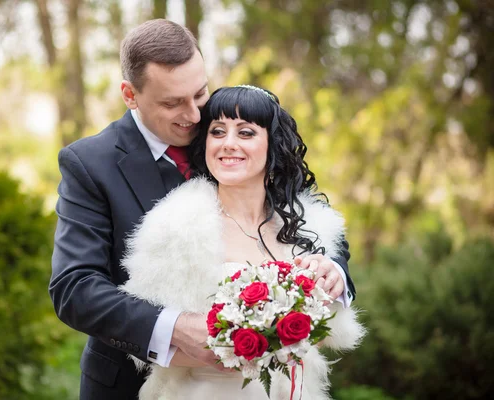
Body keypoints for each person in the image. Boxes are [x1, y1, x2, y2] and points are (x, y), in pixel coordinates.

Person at [50, 19, 355, 400]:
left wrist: (334, 274)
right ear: (130, 94)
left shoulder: (225, 130)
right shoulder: (90, 163)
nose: (195, 115)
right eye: (172, 102)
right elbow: (75, 287)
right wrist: (173, 327)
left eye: (199, 93)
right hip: (134, 384)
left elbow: (306, 218)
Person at [120, 85, 365, 399]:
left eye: (246, 133)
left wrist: (321, 292)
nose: (229, 144)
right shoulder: (174, 227)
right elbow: (149, 340)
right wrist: (236, 345)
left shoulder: (310, 228)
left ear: (272, 146)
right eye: (218, 131)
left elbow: (325, 335)